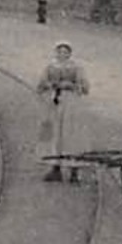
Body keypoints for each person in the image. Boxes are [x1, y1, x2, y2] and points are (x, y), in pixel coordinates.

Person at [36, 40, 91, 182]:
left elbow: (85, 87)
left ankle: (74, 170)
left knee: (71, 134)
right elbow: (41, 85)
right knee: (54, 134)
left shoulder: (76, 67)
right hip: (54, 102)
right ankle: (55, 167)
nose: (62, 54)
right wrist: (50, 85)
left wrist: (71, 85)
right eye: (59, 52)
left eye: (65, 52)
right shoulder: (50, 66)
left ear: (70, 54)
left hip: (71, 103)